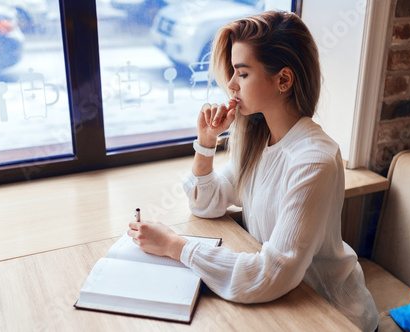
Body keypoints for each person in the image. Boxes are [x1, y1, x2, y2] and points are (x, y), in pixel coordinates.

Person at [127, 10, 379, 331]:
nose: (230, 85)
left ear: (283, 80)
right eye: (233, 72)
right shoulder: (262, 141)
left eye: (242, 74)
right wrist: (206, 143)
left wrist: (174, 245)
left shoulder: (314, 159)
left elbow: (269, 275)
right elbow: (206, 203)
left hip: (332, 314)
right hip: (288, 303)